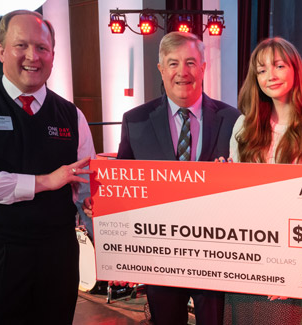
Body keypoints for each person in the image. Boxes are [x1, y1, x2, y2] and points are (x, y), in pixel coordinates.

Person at [0, 10, 96, 324]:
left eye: (41, 48)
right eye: (20, 46)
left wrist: (96, 201)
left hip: (59, 254)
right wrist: (43, 181)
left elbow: (85, 183)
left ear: (53, 54)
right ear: (1, 51)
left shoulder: (71, 115)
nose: (32, 57)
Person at [86, 31, 239, 324]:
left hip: (216, 256)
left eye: (191, 62)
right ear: (161, 69)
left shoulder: (232, 119)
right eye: (173, 63)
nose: (183, 72)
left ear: (204, 67)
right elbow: (122, 184)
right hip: (160, 259)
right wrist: (103, 205)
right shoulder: (136, 121)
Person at [224, 37, 302, 324]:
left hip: (289, 263)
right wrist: (222, 178)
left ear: (295, 70)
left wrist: (296, 271)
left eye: (278, 66)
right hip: (244, 255)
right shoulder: (243, 125)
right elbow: (236, 197)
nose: (270, 76)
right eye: (261, 70)